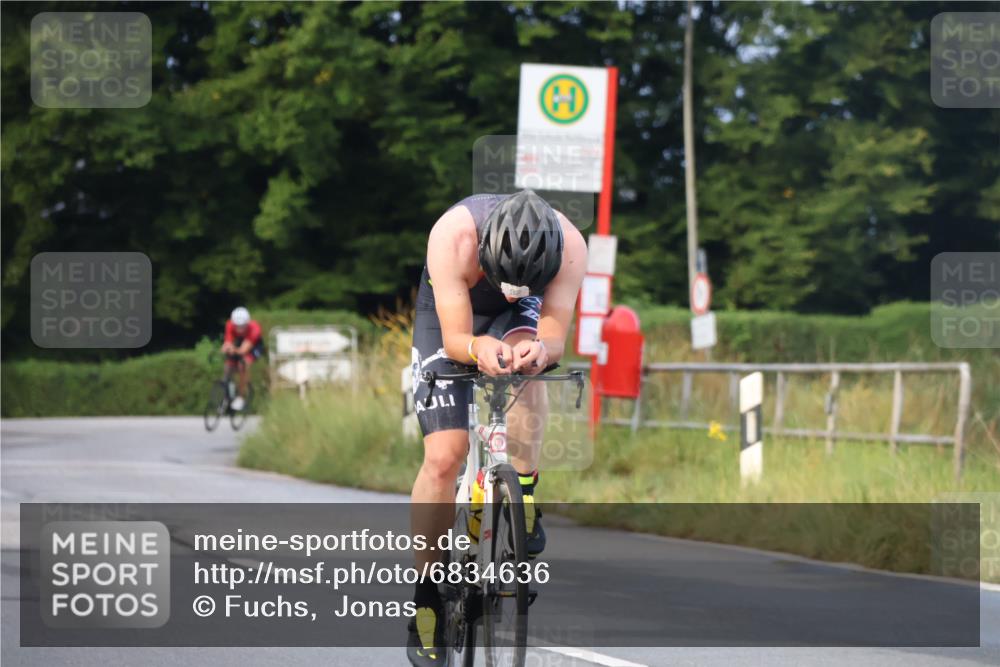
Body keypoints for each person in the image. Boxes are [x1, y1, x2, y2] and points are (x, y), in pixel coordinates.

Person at [407, 190, 587, 666]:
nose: (509, 287)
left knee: (531, 364)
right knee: (445, 455)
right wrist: (475, 348)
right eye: (503, 277)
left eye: (521, 281)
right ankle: (426, 598)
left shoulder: (570, 246)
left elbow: (554, 333)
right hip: (452, 311)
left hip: (520, 319)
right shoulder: (453, 236)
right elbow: (454, 338)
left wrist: (542, 352)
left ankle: (521, 492)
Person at [220, 306, 263, 411]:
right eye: (237, 326)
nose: (239, 328)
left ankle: (241, 396)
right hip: (239, 342)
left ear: (247, 323)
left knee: (242, 364)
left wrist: (233, 349)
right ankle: (227, 394)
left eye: (242, 326)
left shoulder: (255, 329)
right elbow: (228, 341)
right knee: (228, 365)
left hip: (254, 346)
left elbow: (243, 350)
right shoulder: (230, 325)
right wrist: (226, 348)